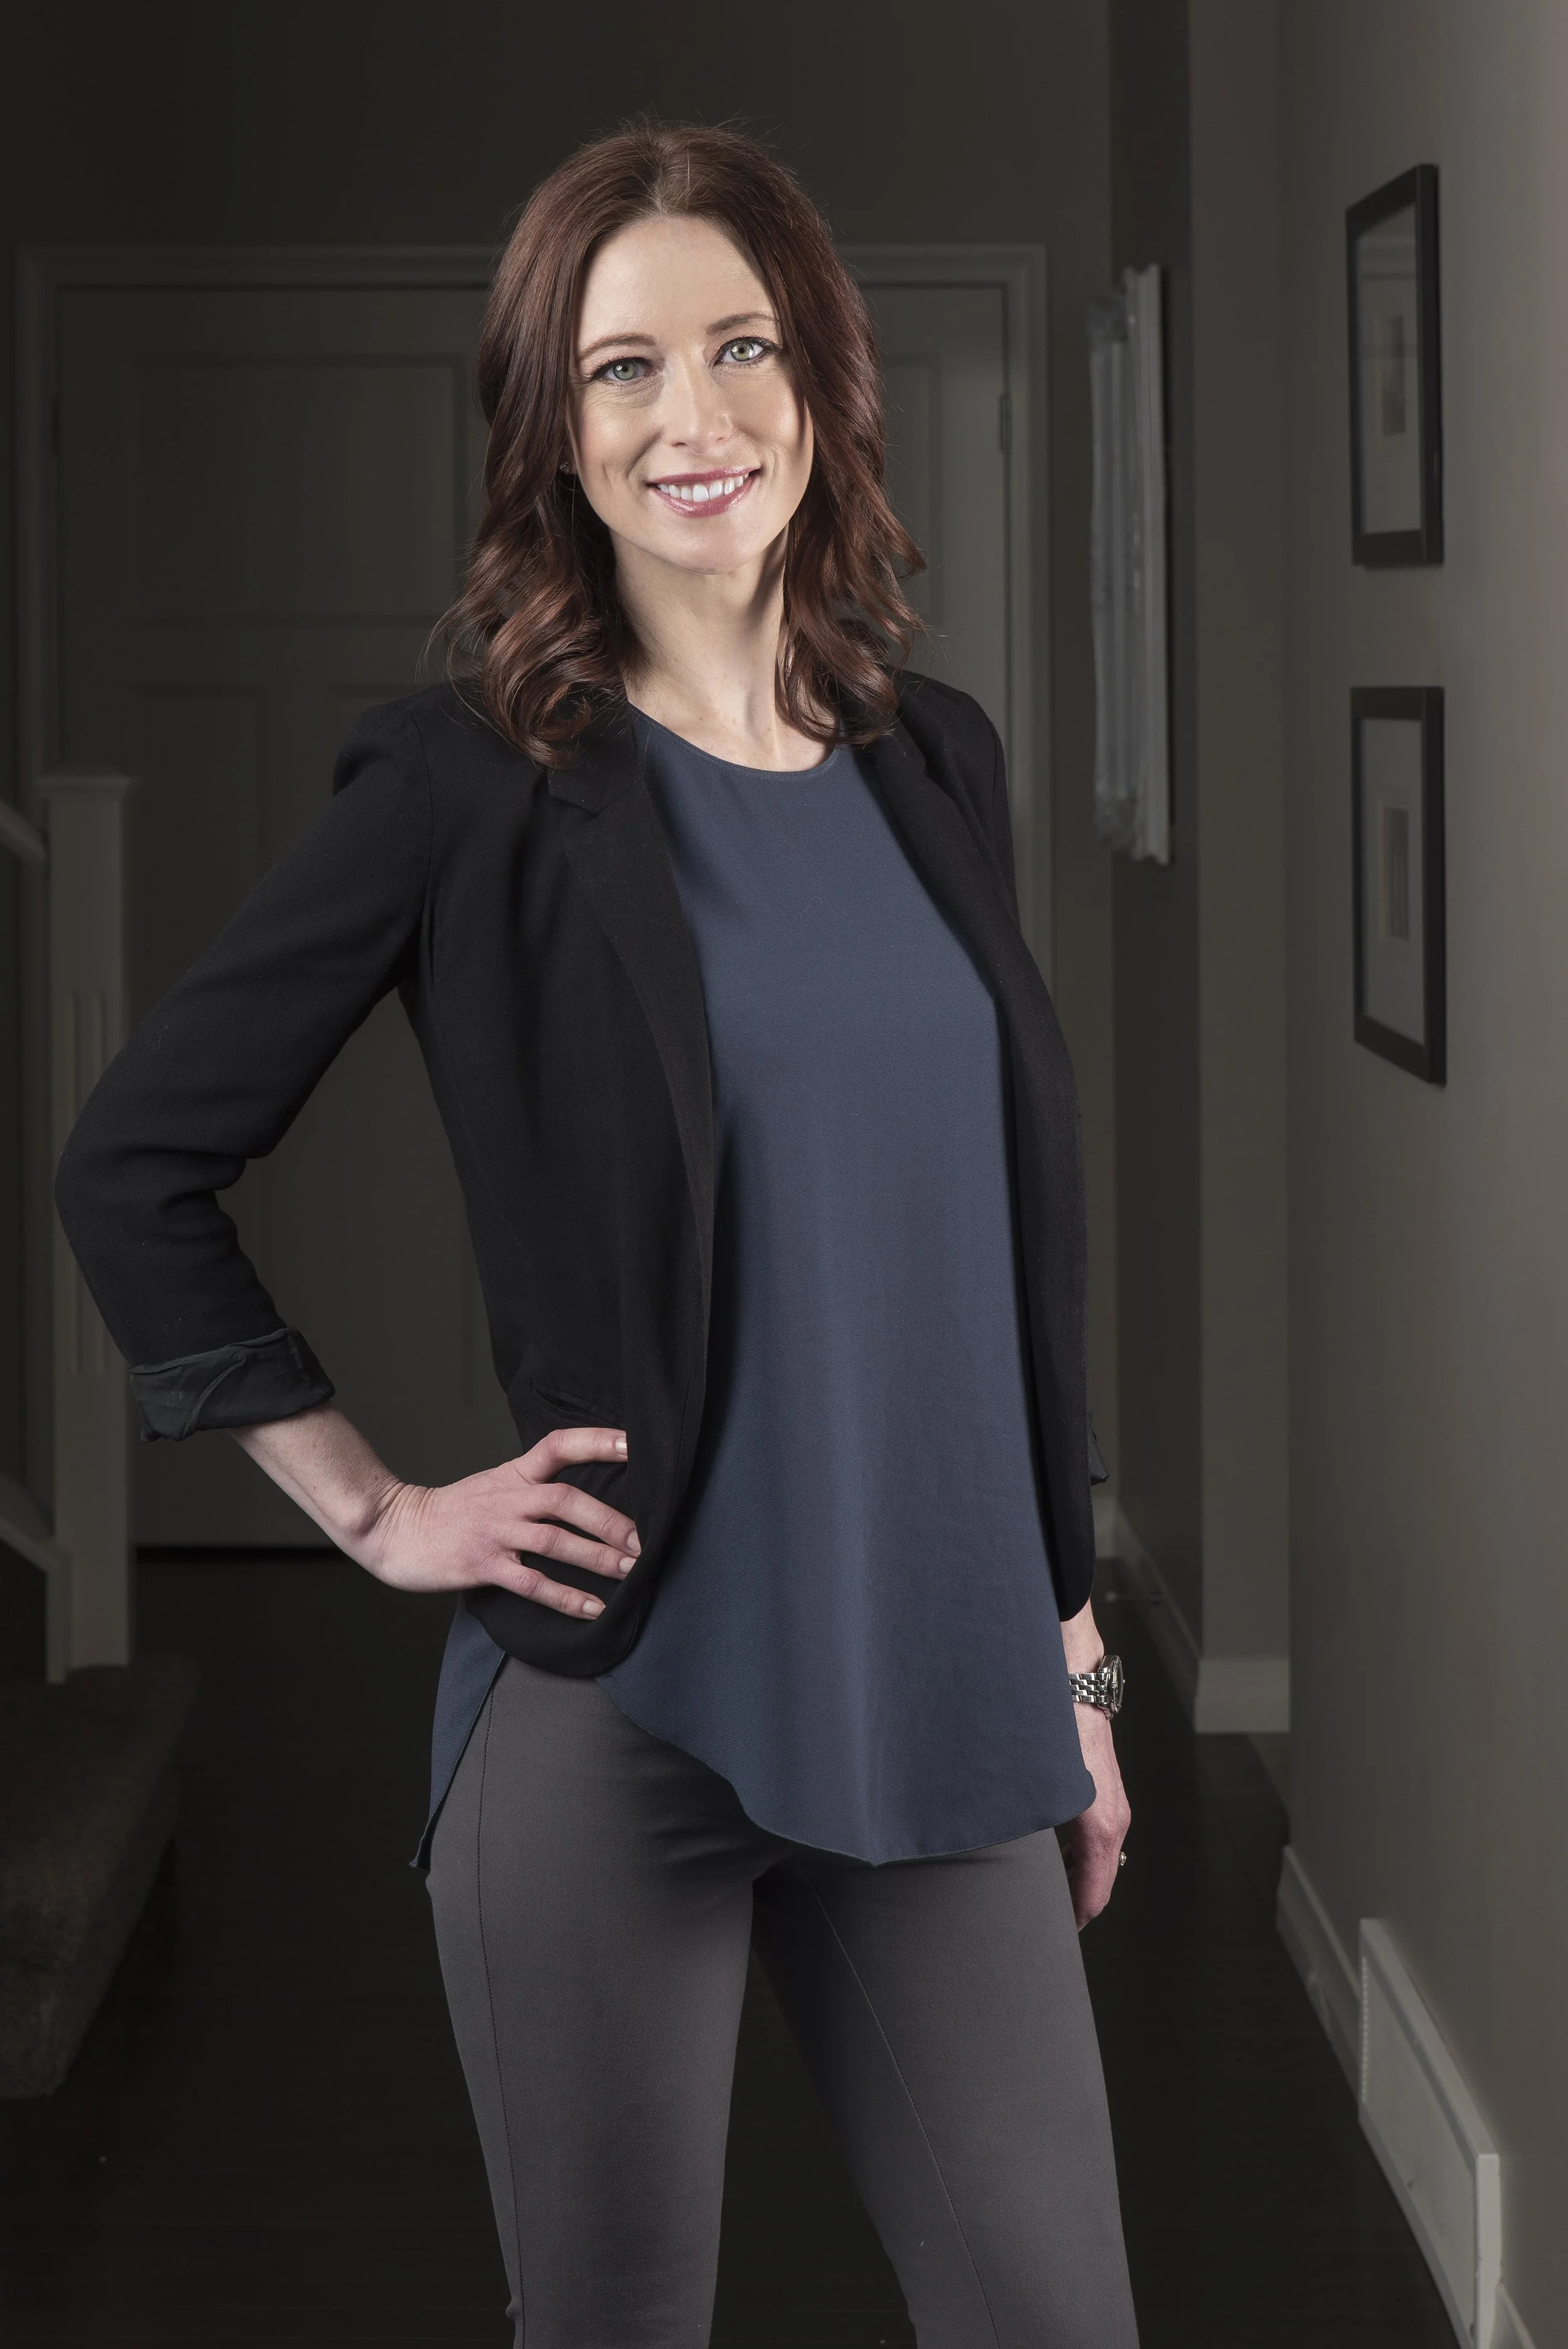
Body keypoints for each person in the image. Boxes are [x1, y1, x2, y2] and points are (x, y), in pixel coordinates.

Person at [55, 122, 1139, 2349]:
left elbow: (999, 1263)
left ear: (823, 383)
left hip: (939, 1702)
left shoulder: (939, 762)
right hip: (620, 1716)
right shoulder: (472, 781)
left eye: (740, 347)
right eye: (620, 366)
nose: (692, 417)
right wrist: (368, 1511)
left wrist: (1070, 1655)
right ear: (553, 424)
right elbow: (134, 1160)